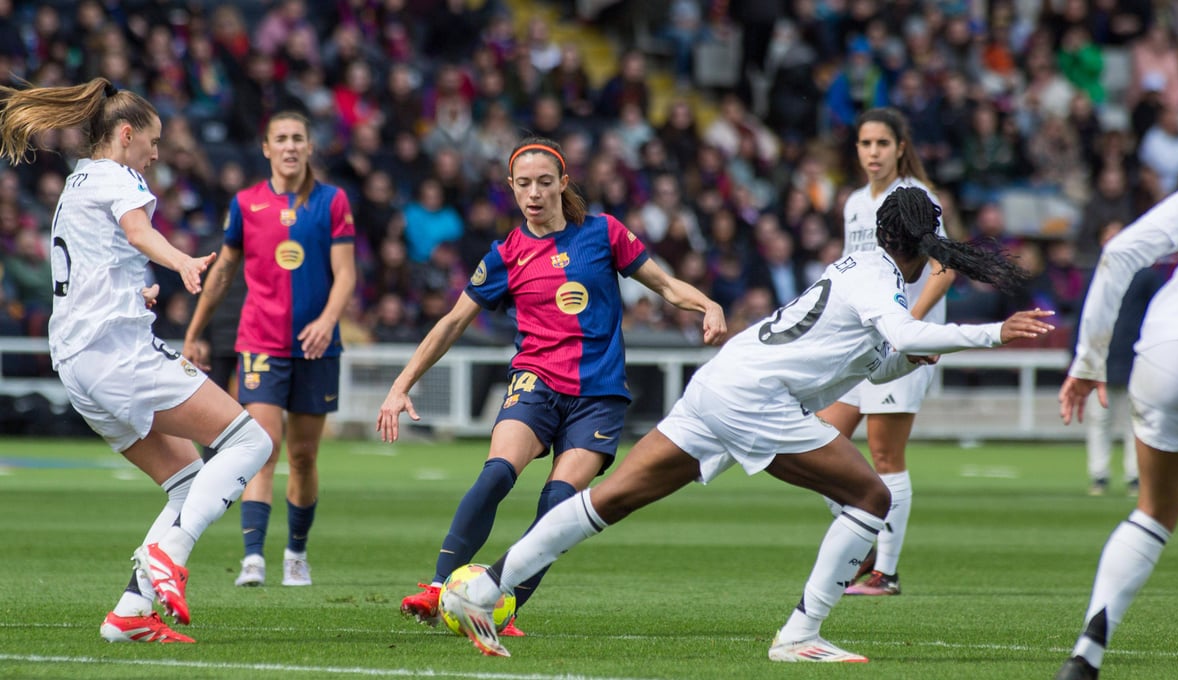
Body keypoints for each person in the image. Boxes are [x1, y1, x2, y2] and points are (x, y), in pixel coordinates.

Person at [438, 186, 1053, 660]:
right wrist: (994, 332)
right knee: (870, 495)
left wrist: (907, 358)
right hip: (755, 399)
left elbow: (875, 356)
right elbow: (901, 330)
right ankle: (800, 633)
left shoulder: (863, 269)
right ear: (918, 245)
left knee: (609, 500)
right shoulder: (877, 278)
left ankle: (483, 590)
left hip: (722, 382)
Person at [377, 136, 727, 636]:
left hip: (599, 395)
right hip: (536, 382)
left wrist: (708, 305)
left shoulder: (604, 233)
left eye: (545, 183)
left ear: (563, 184)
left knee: (558, 502)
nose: (535, 194)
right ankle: (437, 589)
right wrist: (401, 385)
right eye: (524, 185)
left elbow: (668, 286)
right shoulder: (506, 254)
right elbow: (453, 322)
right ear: (511, 189)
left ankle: (505, 607)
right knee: (497, 473)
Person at [0, 78, 271, 643]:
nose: (155, 153)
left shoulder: (76, 182)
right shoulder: (120, 177)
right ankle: (170, 555)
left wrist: (135, 289)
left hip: (77, 362)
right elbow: (139, 230)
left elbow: (99, 262)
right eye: (152, 142)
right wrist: (182, 262)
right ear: (125, 135)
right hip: (117, 353)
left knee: (187, 479)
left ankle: (129, 612)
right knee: (251, 442)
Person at [183, 111, 356, 588]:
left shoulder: (333, 201)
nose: (290, 146)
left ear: (310, 146)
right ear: (266, 148)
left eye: (298, 137)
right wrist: (196, 328)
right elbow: (222, 273)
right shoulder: (245, 204)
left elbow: (346, 274)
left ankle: (296, 553)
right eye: (281, 138)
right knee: (263, 446)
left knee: (303, 455)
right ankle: (253, 557)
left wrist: (326, 320)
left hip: (317, 346)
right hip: (260, 341)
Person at [1055, 183, 1178, 680]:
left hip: (1164, 349)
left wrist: (1088, 358)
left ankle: (1087, 654)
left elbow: (1116, 252)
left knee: (1155, 512)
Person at [817, 107, 954, 597]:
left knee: (883, 453)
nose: (872, 152)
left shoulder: (917, 198)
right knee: (817, 442)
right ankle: (869, 539)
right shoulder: (854, 203)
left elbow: (945, 266)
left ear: (900, 147)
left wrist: (910, 323)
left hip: (903, 344)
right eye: (864, 143)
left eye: (881, 143)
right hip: (859, 344)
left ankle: (885, 572)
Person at [1078, 221, 1168, 497]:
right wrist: (1077, 358)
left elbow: (1160, 318)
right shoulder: (1095, 274)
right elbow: (1085, 318)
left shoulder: (1146, 276)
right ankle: (1099, 475)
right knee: (1099, 419)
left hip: (1136, 356)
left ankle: (1135, 476)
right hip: (1101, 357)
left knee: (1135, 421)